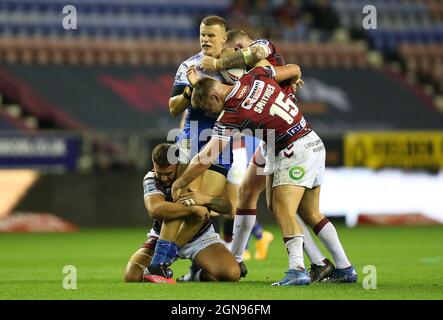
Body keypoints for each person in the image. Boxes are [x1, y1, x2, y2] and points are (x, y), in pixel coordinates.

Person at [172, 62, 357, 286]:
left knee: (282, 209)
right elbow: (295, 69)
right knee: (310, 212)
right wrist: (292, 81)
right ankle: (345, 268)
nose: (214, 113)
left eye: (211, 109)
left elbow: (205, 157)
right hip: (311, 139)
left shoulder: (230, 113)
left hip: (292, 150)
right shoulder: (254, 76)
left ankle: (296, 269)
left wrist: (180, 181)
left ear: (214, 99)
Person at [146, 16, 240, 278]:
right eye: (202, 34)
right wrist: (190, 91)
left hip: (223, 141)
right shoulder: (188, 65)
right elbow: (173, 108)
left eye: (211, 35)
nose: (205, 39)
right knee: (184, 199)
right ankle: (158, 262)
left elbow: (242, 101)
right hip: (193, 137)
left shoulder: (237, 66)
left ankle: (168, 258)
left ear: (224, 38)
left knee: (203, 208)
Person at [124, 143, 240, 283]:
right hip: (164, 236)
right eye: (159, 173)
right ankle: (162, 261)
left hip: (199, 238)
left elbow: (227, 207)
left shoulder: (197, 174)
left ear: (179, 165)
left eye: (168, 174)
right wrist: (193, 209)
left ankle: (194, 275)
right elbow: (155, 209)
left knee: (231, 274)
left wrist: (206, 199)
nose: (163, 178)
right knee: (132, 276)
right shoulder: (151, 178)